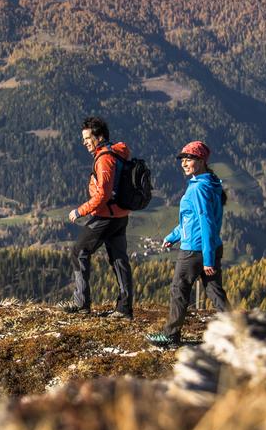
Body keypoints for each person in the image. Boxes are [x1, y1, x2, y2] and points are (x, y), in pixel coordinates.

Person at [147, 140, 230, 346]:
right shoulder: (210, 183)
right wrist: (173, 236)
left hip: (194, 250)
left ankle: (170, 335)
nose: (184, 163)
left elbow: (206, 222)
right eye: (183, 159)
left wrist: (207, 258)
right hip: (209, 246)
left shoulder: (198, 189)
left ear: (201, 161)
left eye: (189, 159)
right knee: (214, 290)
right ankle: (238, 330)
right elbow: (190, 220)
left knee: (179, 289)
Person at [58, 116, 134, 319]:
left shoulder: (105, 159)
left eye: (87, 138)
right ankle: (124, 308)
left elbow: (103, 194)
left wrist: (80, 211)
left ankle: (81, 303)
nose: (84, 142)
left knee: (78, 251)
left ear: (99, 137)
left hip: (105, 216)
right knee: (119, 259)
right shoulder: (117, 154)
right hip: (120, 215)